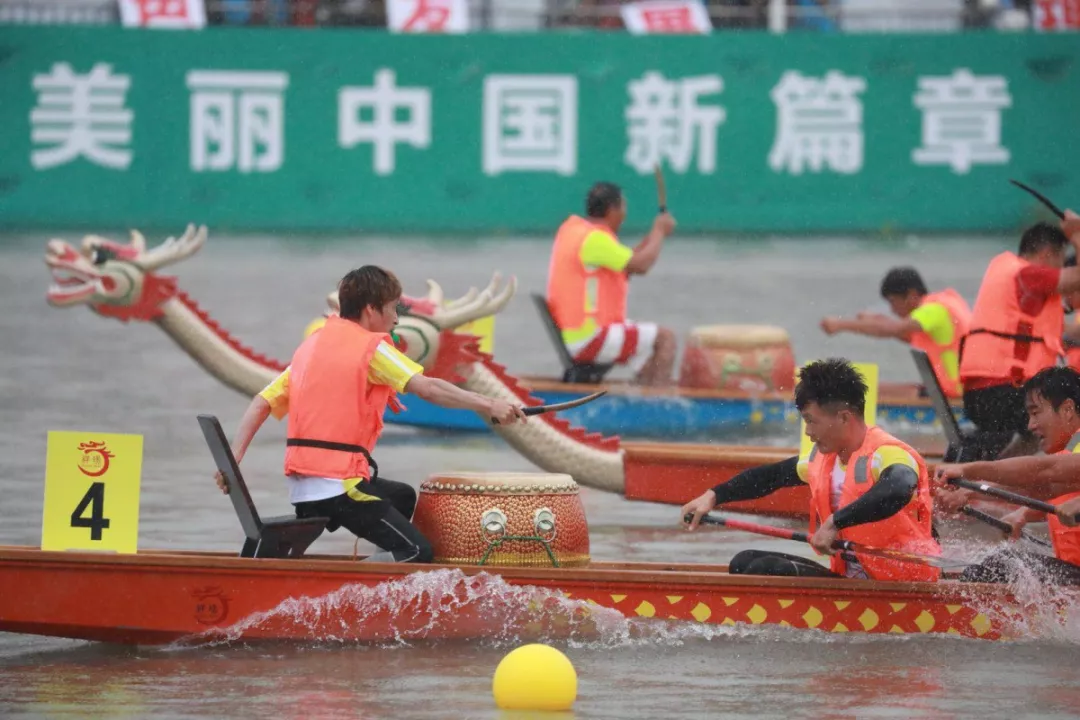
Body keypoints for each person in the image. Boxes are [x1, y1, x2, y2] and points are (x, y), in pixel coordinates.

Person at [216, 266, 527, 563]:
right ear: (370, 310)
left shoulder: (311, 348)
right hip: (338, 487)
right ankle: (362, 583)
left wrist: (234, 458)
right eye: (392, 308)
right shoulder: (372, 349)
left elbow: (261, 402)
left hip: (303, 488)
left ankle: (376, 567)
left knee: (402, 496)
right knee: (418, 551)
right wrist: (490, 405)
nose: (396, 318)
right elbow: (429, 388)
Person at [681, 358, 941, 582]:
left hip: (902, 583)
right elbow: (771, 477)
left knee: (767, 569)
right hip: (853, 580)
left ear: (843, 417)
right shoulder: (824, 459)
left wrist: (835, 522)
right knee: (744, 561)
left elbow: (898, 489)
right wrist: (714, 495)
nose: (807, 431)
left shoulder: (888, 453)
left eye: (811, 421)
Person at [934, 366, 1080, 585]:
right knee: (994, 564)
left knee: (1001, 566)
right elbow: (1042, 489)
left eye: (1035, 413)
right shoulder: (1072, 451)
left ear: (1068, 409)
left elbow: (1043, 471)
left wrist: (968, 470)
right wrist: (971, 492)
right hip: (1072, 574)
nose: (1030, 425)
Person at [959, 212, 1080, 458]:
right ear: (1048, 254)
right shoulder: (1029, 274)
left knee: (1035, 433)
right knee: (1068, 408)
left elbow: (1072, 300)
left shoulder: (1012, 275)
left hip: (985, 392)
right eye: (1061, 260)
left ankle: (999, 474)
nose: (1061, 268)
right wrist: (1077, 234)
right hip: (1003, 390)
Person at [545, 181, 678, 386]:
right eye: (623, 206)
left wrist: (655, 233)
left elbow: (629, 261)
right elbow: (641, 265)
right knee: (666, 339)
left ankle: (645, 393)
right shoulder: (595, 239)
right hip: (590, 338)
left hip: (577, 335)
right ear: (612, 210)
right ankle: (660, 401)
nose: (625, 214)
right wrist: (659, 232)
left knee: (646, 346)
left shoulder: (573, 230)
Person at [820, 267, 972, 398]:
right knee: (869, 387)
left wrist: (840, 325)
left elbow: (891, 329)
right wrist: (874, 319)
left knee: (864, 390)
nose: (892, 310)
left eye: (893, 301)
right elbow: (901, 333)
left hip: (954, 395)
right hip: (962, 389)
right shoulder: (946, 303)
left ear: (912, 294)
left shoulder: (933, 311)